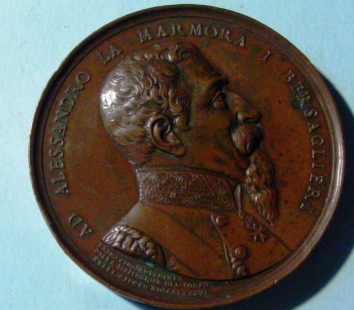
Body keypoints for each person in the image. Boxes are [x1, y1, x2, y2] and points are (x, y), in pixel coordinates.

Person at [97, 42, 290, 281]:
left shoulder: (243, 220)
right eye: (218, 99)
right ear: (166, 135)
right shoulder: (135, 249)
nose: (249, 112)